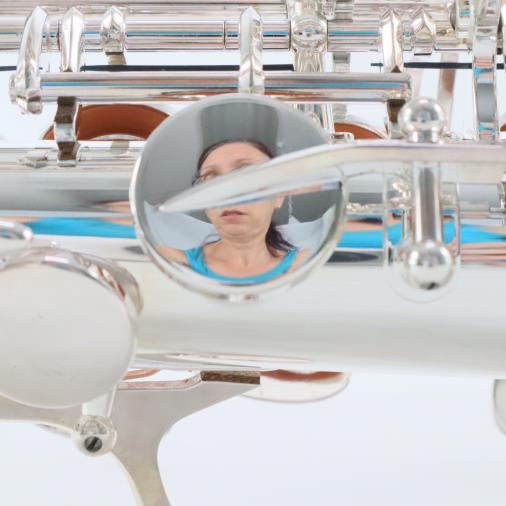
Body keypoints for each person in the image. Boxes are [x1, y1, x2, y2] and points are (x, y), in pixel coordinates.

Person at [157, 140, 310, 283]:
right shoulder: (169, 261)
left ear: (278, 196)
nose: (227, 194)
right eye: (212, 180)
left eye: (246, 175)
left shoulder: (307, 265)